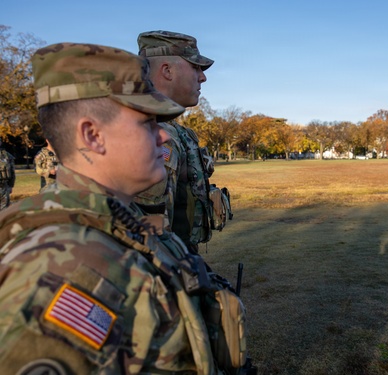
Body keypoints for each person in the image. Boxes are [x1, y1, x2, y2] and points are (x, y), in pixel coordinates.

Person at [0, 42, 221, 374]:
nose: (162, 136)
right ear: (92, 136)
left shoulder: (116, 223)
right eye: (147, 123)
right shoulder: (61, 271)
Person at [135, 30, 231, 251]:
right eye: (195, 67)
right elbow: (151, 236)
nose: (202, 77)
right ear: (167, 70)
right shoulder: (152, 135)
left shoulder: (175, 131)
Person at [0, 138, 15, 210]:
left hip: (4, 187)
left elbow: (12, 172)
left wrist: (11, 186)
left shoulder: (7, 155)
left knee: (4, 211)